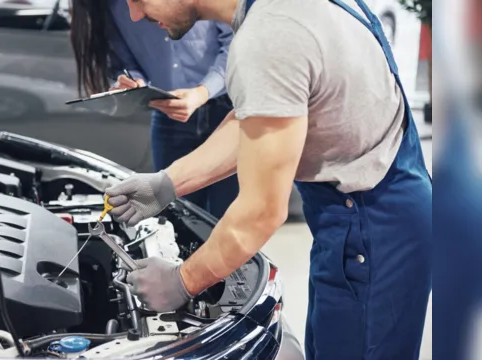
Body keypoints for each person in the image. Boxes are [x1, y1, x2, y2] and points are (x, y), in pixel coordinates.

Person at [103, 0, 432, 359]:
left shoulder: (269, 34)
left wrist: (183, 280)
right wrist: (167, 183)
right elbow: (258, 117)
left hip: (371, 228)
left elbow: (261, 210)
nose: (134, 15)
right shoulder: (277, 11)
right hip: (374, 214)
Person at [69, 0, 239, 219]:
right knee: (177, 218)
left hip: (227, 106)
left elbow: (236, 43)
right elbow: (123, 62)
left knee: (229, 213)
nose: (135, 16)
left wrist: (202, 92)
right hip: (170, 118)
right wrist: (133, 82)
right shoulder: (111, 9)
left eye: (139, 3)